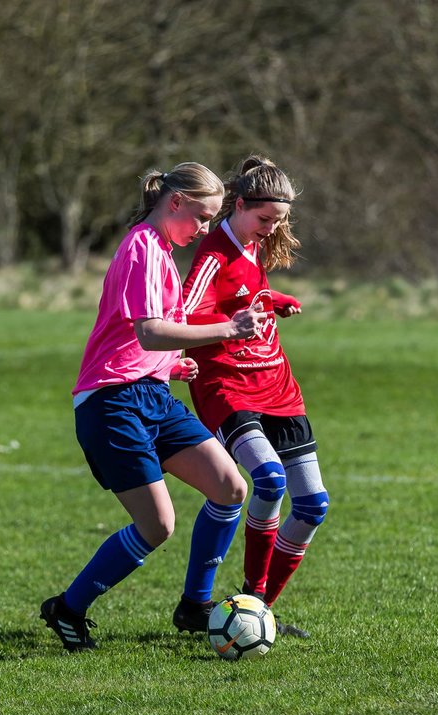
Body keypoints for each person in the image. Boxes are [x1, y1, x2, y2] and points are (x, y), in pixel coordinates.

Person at [39, 163, 268, 652]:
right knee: (157, 526)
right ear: (176, 202)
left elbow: (145, 341)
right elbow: (150, 330)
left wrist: (168, 366)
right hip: (111, 403)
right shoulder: (142, 247)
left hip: (152, 395)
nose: (205, 229)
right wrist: (227, 329)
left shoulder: (162, 249)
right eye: (202, 217)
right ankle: (68, 608)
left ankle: (196, 606)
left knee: (230, 488)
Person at [180, 155, 328, 637]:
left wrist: (271, 299)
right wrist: (237, 319)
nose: (270, 230)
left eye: (279, 222)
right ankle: (247, 602)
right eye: (264, 219)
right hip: (228, 386)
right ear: (238, 205)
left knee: (313, 506)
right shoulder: (212, 255)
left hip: (278, 386)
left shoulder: (252, 245)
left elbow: (246, 293)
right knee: (267, 479)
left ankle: (258, 606)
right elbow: (180, 318)